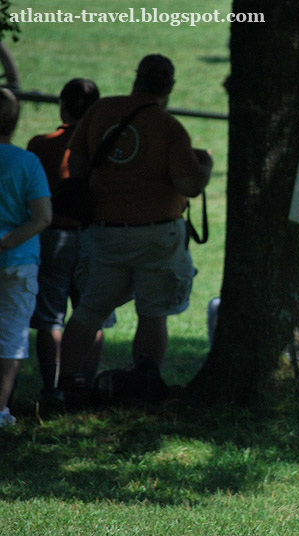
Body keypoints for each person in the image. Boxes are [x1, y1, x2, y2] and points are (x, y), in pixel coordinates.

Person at [57, 54, 213, 403]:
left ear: (136, 77)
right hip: (157, 234)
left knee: (90, 310)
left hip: (104, 231)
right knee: (153, 311)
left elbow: (77, 163)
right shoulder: (168, 127)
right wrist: (205, 165)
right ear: (169, 86)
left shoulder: (101, 111)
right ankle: (146, 385)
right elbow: (189, 184)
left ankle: (63, 383)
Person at [26, 78, 111, 415]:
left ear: (62, 105)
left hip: (52, 238)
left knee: (50, 319)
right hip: (91, 237)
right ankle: (83, 386)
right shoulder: (101, 149)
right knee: (92, 314)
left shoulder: (39, 145)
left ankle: (52, 390)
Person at [0, 88, 53, 426]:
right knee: (11, 335)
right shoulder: (27, 162)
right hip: (18, 260)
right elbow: (43, 217)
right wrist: (6, 243)